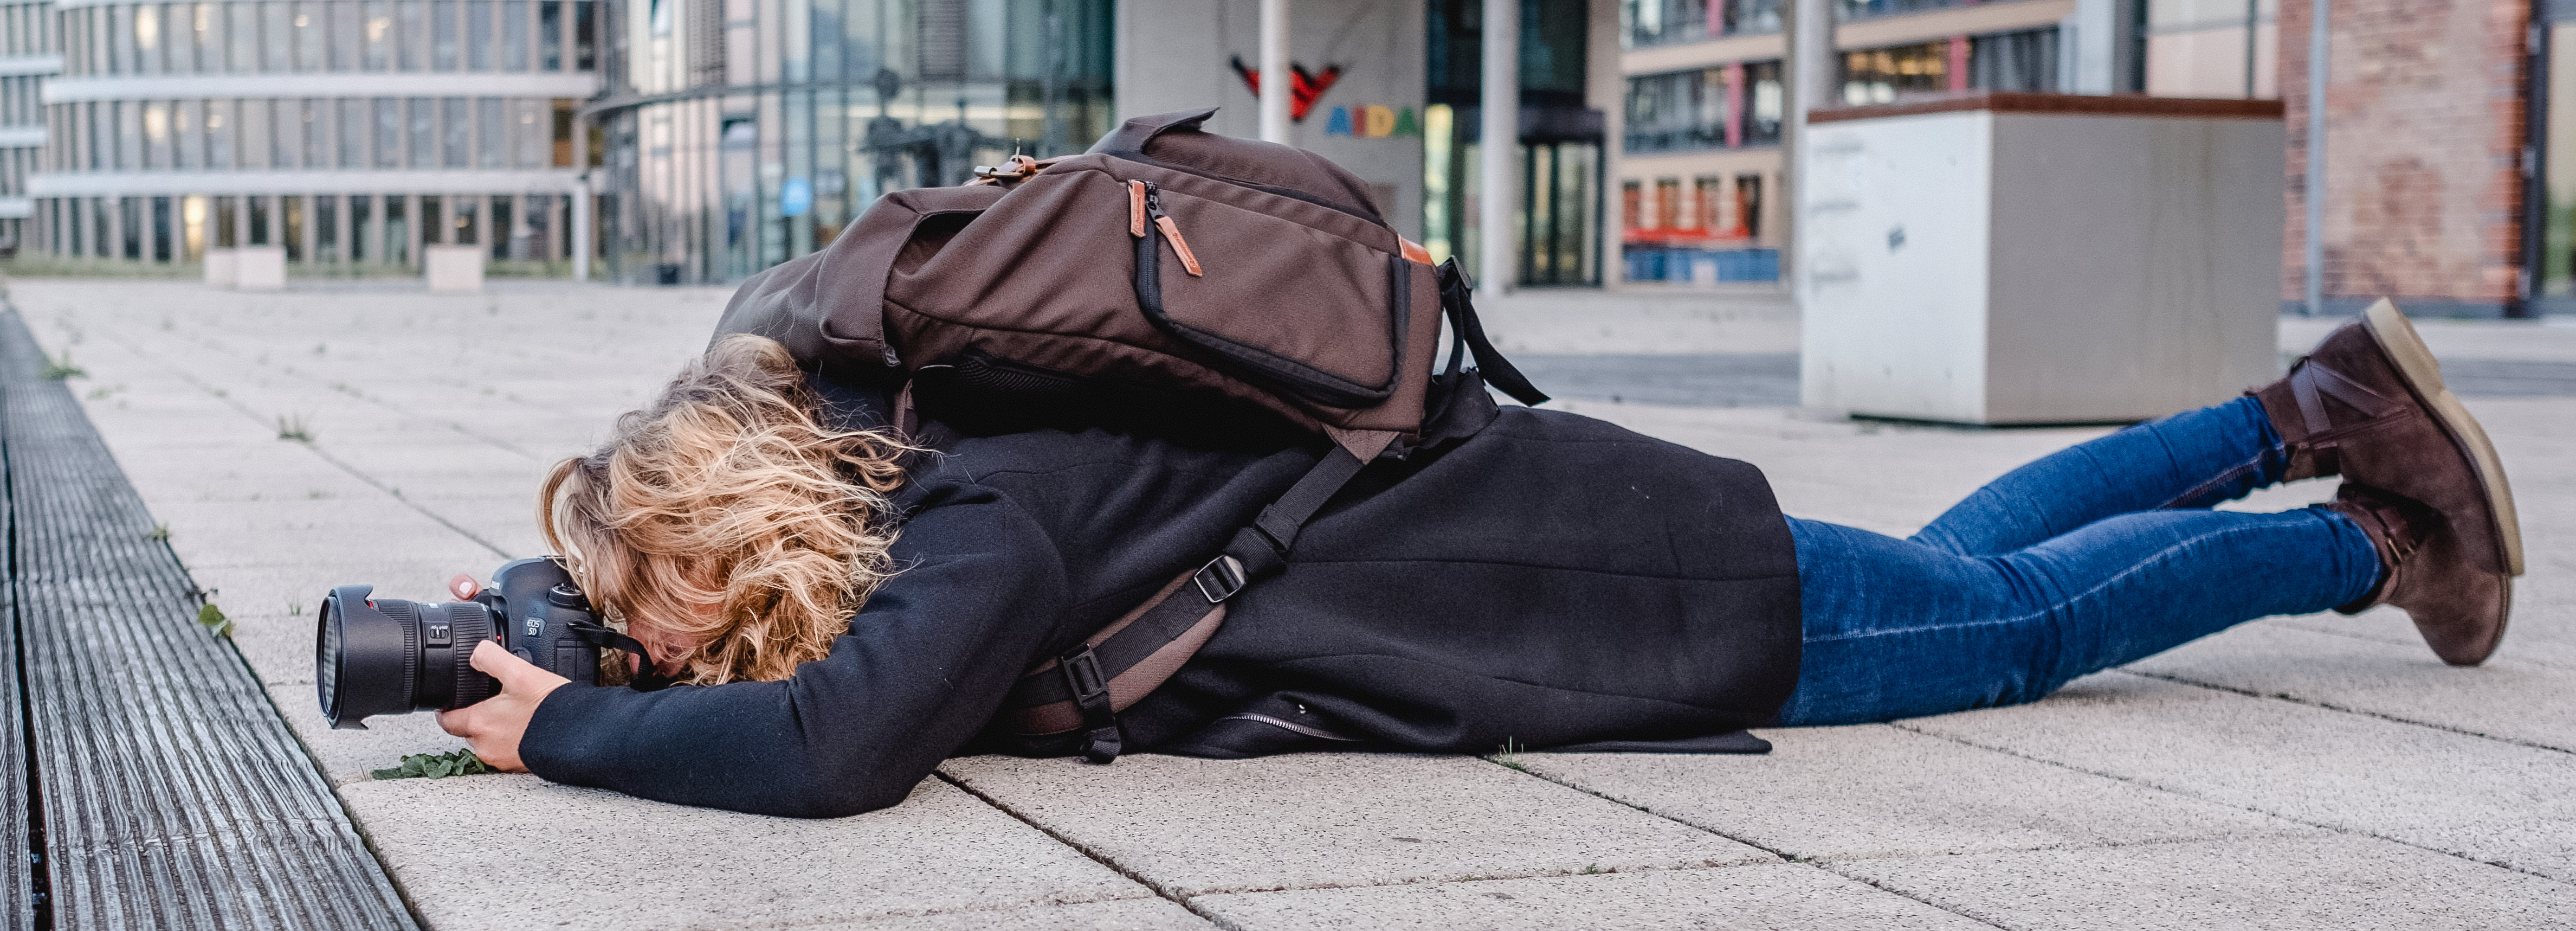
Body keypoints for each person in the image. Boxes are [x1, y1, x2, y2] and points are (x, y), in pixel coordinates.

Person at [436, 301, 2520, 818]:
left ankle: (2351, 524)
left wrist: (576, 734)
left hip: (1642, 599)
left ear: (746, 528)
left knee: (2006, 627)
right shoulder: (968, 481)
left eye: (651, 593)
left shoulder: (980, 516)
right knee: (1956, 567)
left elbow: (835, 749)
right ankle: (2300, 409)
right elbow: (832, 691)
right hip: (1619, 541)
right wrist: (616, 676)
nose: (637, 632)